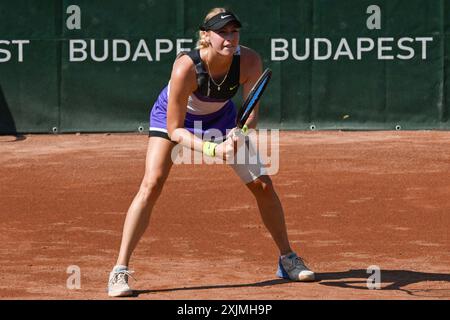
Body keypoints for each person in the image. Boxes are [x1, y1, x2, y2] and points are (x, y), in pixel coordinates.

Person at [107, 7, 315, 297]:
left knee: (263, 185)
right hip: (174, 119)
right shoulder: (185, 67)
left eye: (234, 31)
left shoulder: (250, 61)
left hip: (222, 119)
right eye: (222, 32)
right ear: (206, 36)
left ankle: (287, 258)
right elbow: (174, 130)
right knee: (151, 183)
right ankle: (119, 270)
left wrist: (239, 135)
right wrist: (212, 148)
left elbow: (250, 112)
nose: (230, 37)